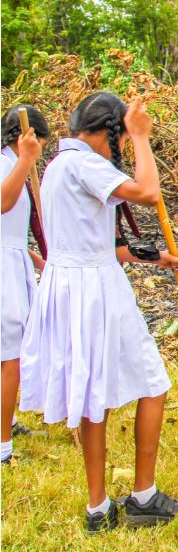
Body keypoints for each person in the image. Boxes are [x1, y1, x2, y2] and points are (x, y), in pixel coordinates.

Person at [18, 92, 178, 532]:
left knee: (92, 399)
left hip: (69, 284)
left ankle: (99, 508)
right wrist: (141, 137)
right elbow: (148, 192)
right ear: (107, 131)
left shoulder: (59, 165)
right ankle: (143, 498)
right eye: (117, 137)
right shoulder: (86, 163)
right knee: (154, 383)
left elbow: (93, 239)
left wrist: (153, 256)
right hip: (95, 291)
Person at [1, 105, 49, 466]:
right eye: (38, 145)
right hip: (4, 270)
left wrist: (35, 259)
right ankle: (2, 449)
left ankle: (9, 421)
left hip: (14, 260)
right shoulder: (7, 165)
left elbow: (11, 232)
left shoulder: (11, 165)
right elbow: (2, 203)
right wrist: (25, 159)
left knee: (9, 352)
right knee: (11, 356)